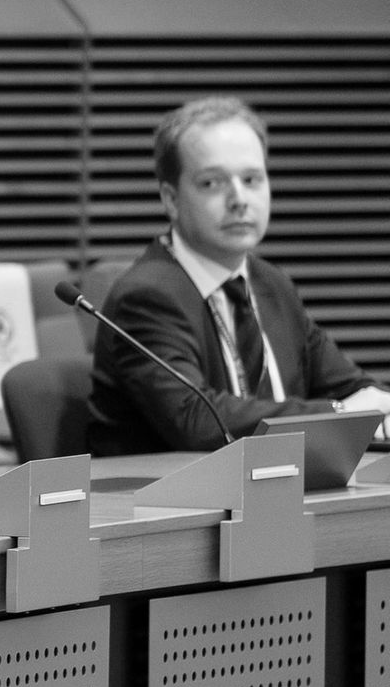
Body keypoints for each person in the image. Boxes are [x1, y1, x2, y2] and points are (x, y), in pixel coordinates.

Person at [88, 97, 390, 454]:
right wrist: (338, 413)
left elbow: (349, 386)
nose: (239, 199)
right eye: (213, 183)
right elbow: (196, 420)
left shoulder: (271, 284)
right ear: (170, 199)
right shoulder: (146, 296)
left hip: (277, 491)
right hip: (168, 500)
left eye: (251, 179)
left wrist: (378, 404)